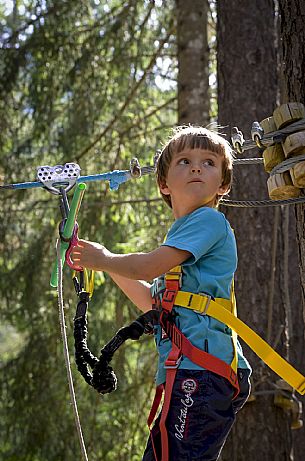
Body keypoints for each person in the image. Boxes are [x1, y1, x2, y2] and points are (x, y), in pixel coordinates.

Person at [71, 126, 252, 461]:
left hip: (201, 373)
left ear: (223, 185)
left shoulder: (208, 223)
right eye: (185, 160)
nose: (197, 167)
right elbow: (152, 302)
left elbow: (146, 267)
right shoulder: (182, 240)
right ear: (164, 183)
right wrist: (104, 261)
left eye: (209, 162)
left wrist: (103, 258)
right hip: (192, 373)